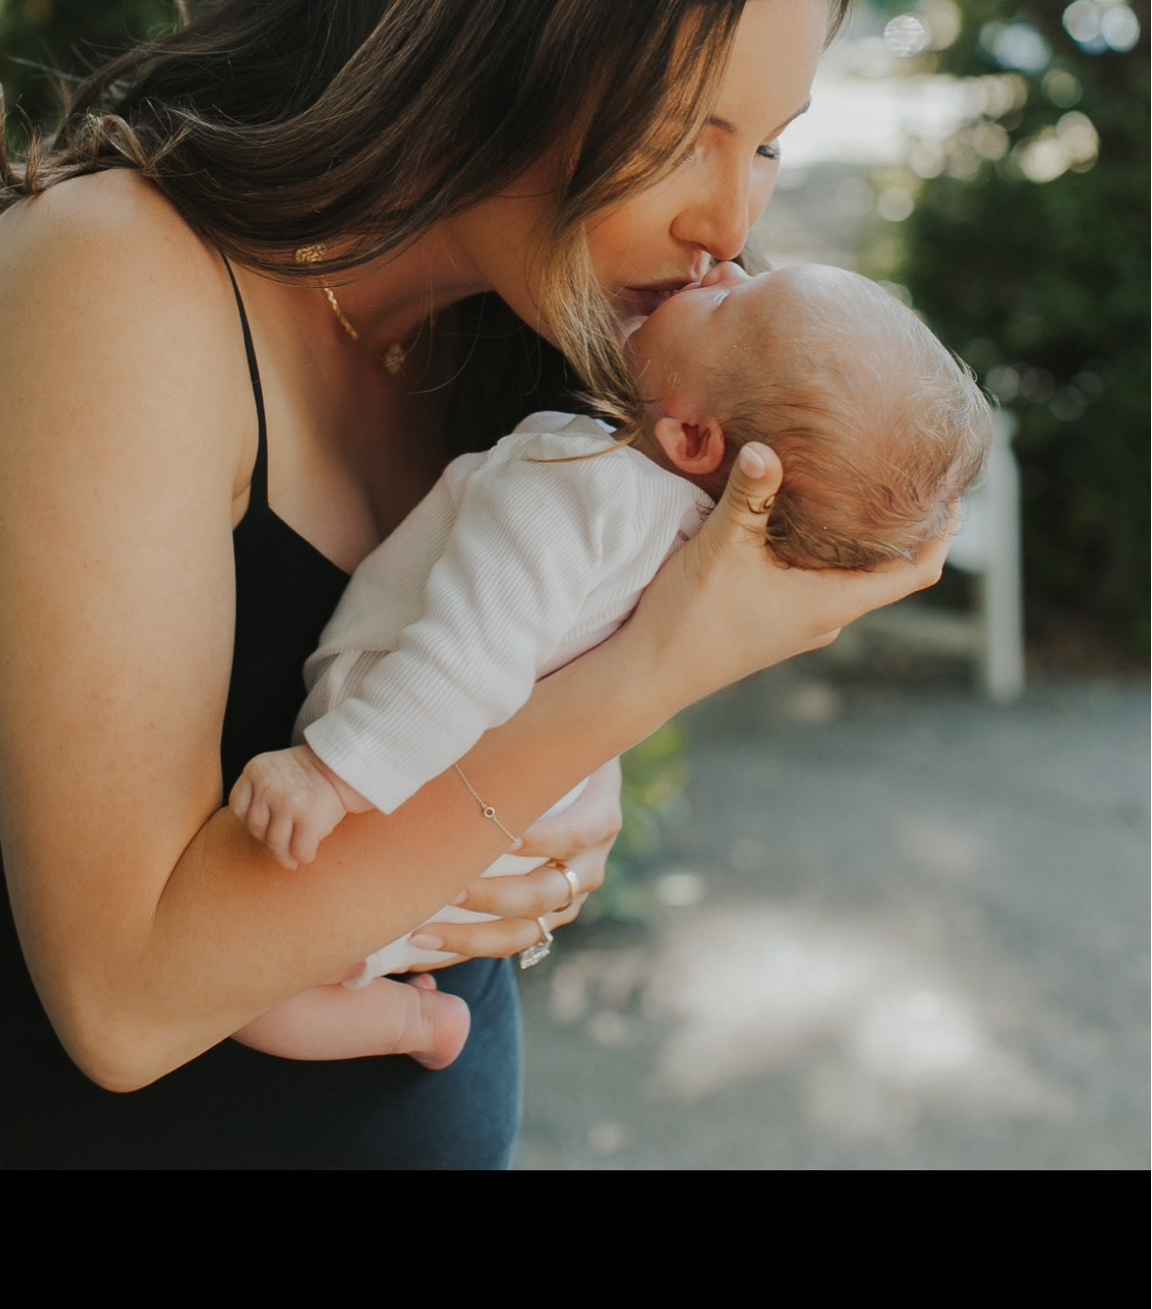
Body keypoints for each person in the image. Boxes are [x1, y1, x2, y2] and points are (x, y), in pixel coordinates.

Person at [0, 0, 953, 1170]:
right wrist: (654, 672)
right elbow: (125, 1001)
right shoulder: (119, 277)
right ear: (493, 52)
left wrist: (534, 825)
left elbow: (491, 770)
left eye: (769, 146)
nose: (731, 221)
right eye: (689, 134)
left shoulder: (527, 343)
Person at [229, 260, 990, 1009]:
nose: (724, 266)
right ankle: (410, 1023)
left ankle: (386, 1014)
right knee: (292, 1004)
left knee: (259, 1002)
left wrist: (328, 773)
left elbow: (463, 665)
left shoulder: (573, 482)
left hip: (387, 810)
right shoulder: (690, 552)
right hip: (494, 859)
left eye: (728, 303)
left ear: (693, 437)